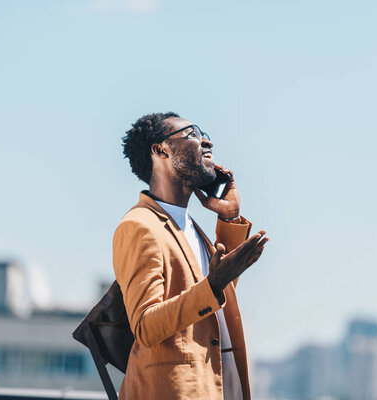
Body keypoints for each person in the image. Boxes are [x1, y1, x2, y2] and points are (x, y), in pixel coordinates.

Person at [113, 112, 269, 399]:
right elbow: (145, 326)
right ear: (160, 150)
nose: (207, 141)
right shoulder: (139, 226)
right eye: (192, 134)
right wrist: (212, 285)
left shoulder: (191, 229)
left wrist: (230, 218)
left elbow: (210, 308)